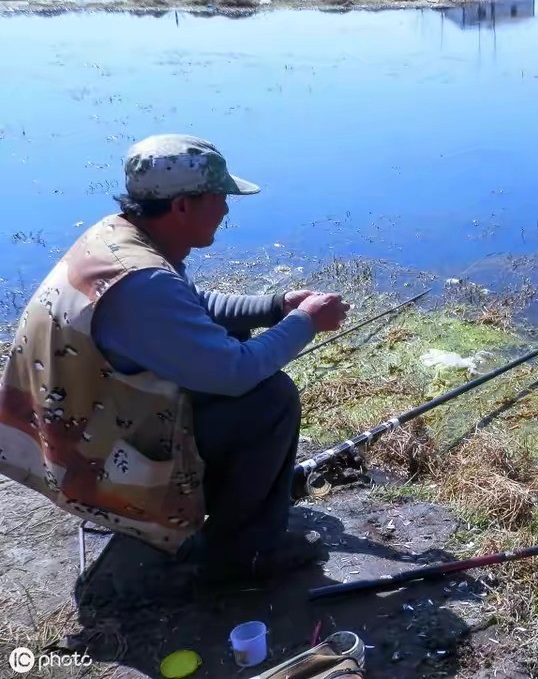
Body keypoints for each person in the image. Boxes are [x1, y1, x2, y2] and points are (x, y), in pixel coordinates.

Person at [0, 134, 350, 583]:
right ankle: (245, 555)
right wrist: (305, 322)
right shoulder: (142, 284)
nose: (226, 210)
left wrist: (275, 306)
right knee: (269, 399)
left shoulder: (118, 237)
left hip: (73, 438)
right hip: (91, 468)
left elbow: (189, 306)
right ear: (183, 205)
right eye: (219, 198)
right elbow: (237, 373)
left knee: (232, 342)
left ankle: (222, 505)